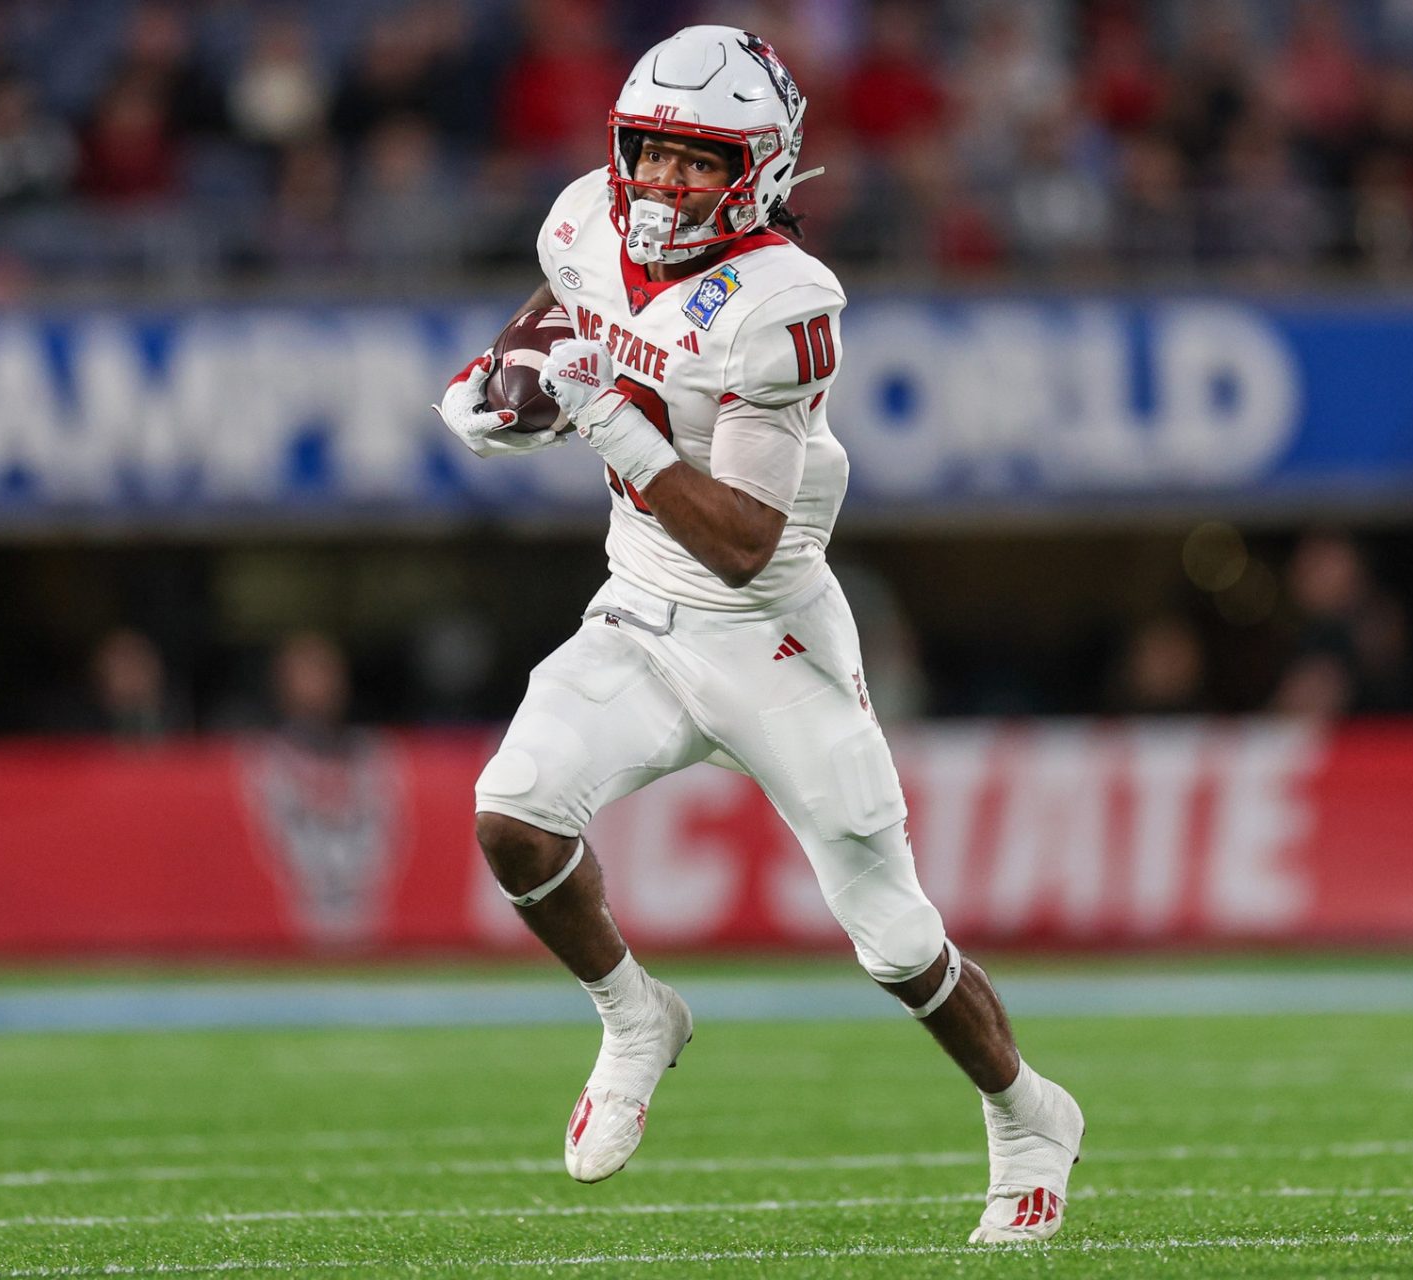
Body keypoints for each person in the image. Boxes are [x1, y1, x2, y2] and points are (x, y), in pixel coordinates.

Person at [434, 26, 1082, 1245]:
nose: (666, 183)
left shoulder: (785, 300)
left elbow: (740, 537)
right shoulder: (585, 216)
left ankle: (1029, 1111)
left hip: (765, 630)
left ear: (762, 168)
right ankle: (635, 1012)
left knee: (893, 937)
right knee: (511, 812)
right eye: (653, 154)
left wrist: (602, 424)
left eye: (698, 160)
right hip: (637, 606)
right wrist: (506, 373)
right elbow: (562, 309)